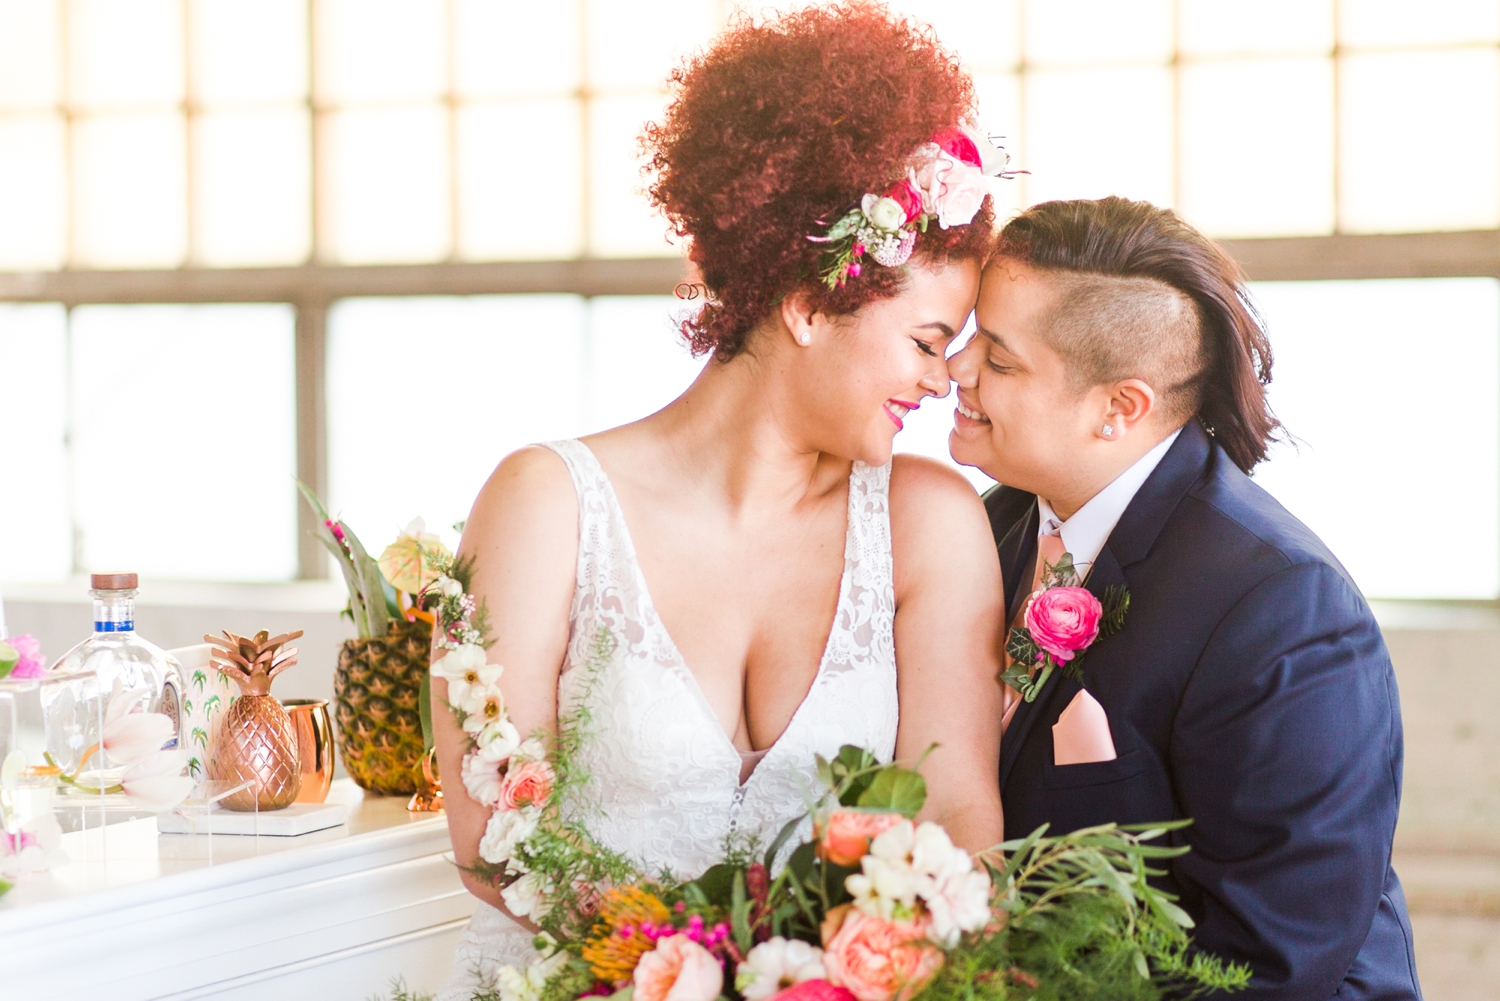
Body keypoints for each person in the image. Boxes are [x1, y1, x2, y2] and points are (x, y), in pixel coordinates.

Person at [431, 6, 1008, 997]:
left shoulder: (929, 522)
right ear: (807, 303)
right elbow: (492, 835)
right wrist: (690, 972)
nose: (946, 378)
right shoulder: (544, 503)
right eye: (926, 340)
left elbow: (956, 815)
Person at [948, 196, 1421, 999]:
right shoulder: (982, 531)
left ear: (1119, 407)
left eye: (999, 358)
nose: (956, 368)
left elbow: (1271, 961)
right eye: (968, 337)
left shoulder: (1284, 609)